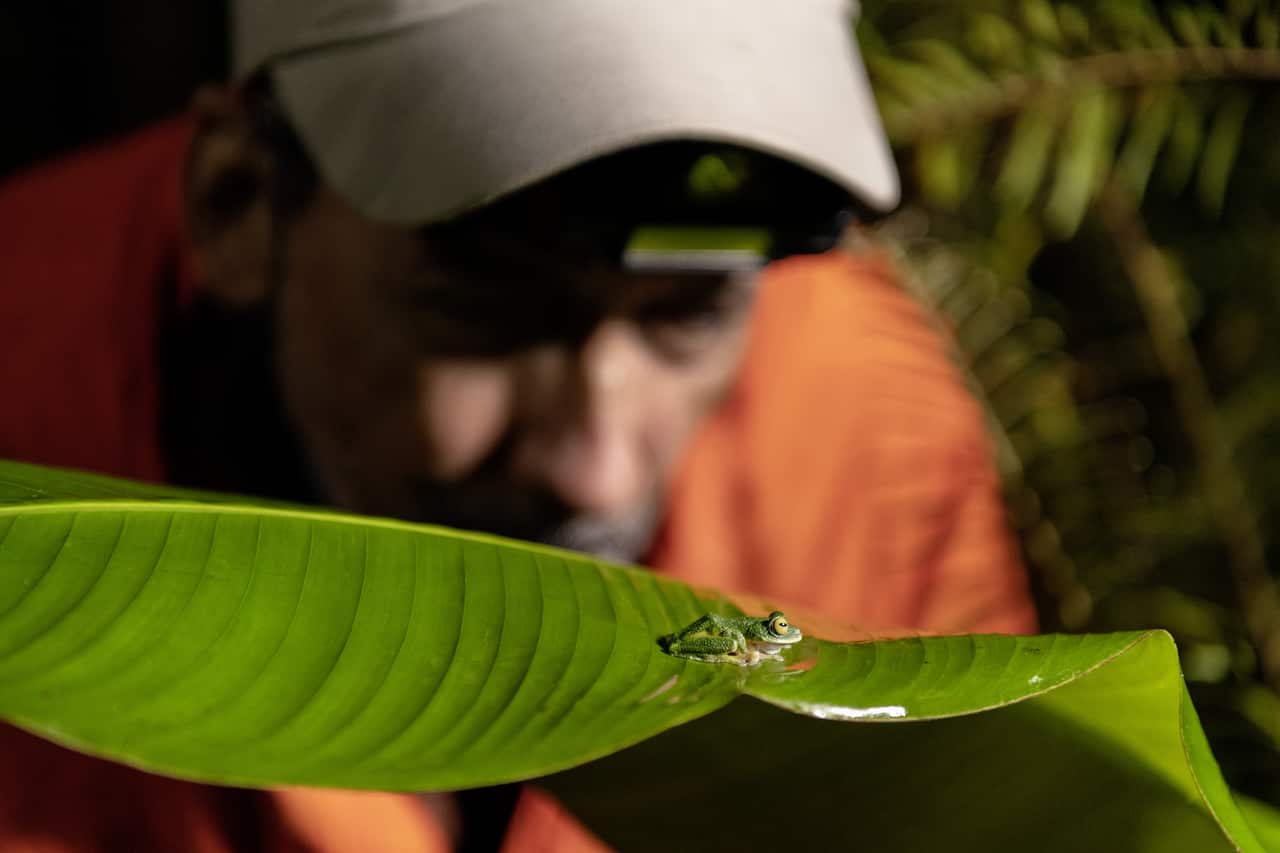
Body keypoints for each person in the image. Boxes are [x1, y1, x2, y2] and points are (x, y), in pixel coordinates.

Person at [0, 0, 1036, 849]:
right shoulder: (29, 387)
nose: (598, 467)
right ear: (237, 202)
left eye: (691, 310)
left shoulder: (866, 424)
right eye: (487, 313)